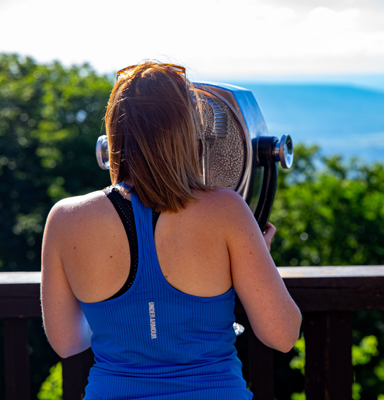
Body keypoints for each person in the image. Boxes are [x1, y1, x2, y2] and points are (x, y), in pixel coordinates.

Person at [41, 62, 302, 399]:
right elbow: (282, 335)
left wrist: (125, 315)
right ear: (187, 132)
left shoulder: (65, 219)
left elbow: (66, 342)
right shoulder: (226, 210)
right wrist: (251, 260)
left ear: (114, 136)